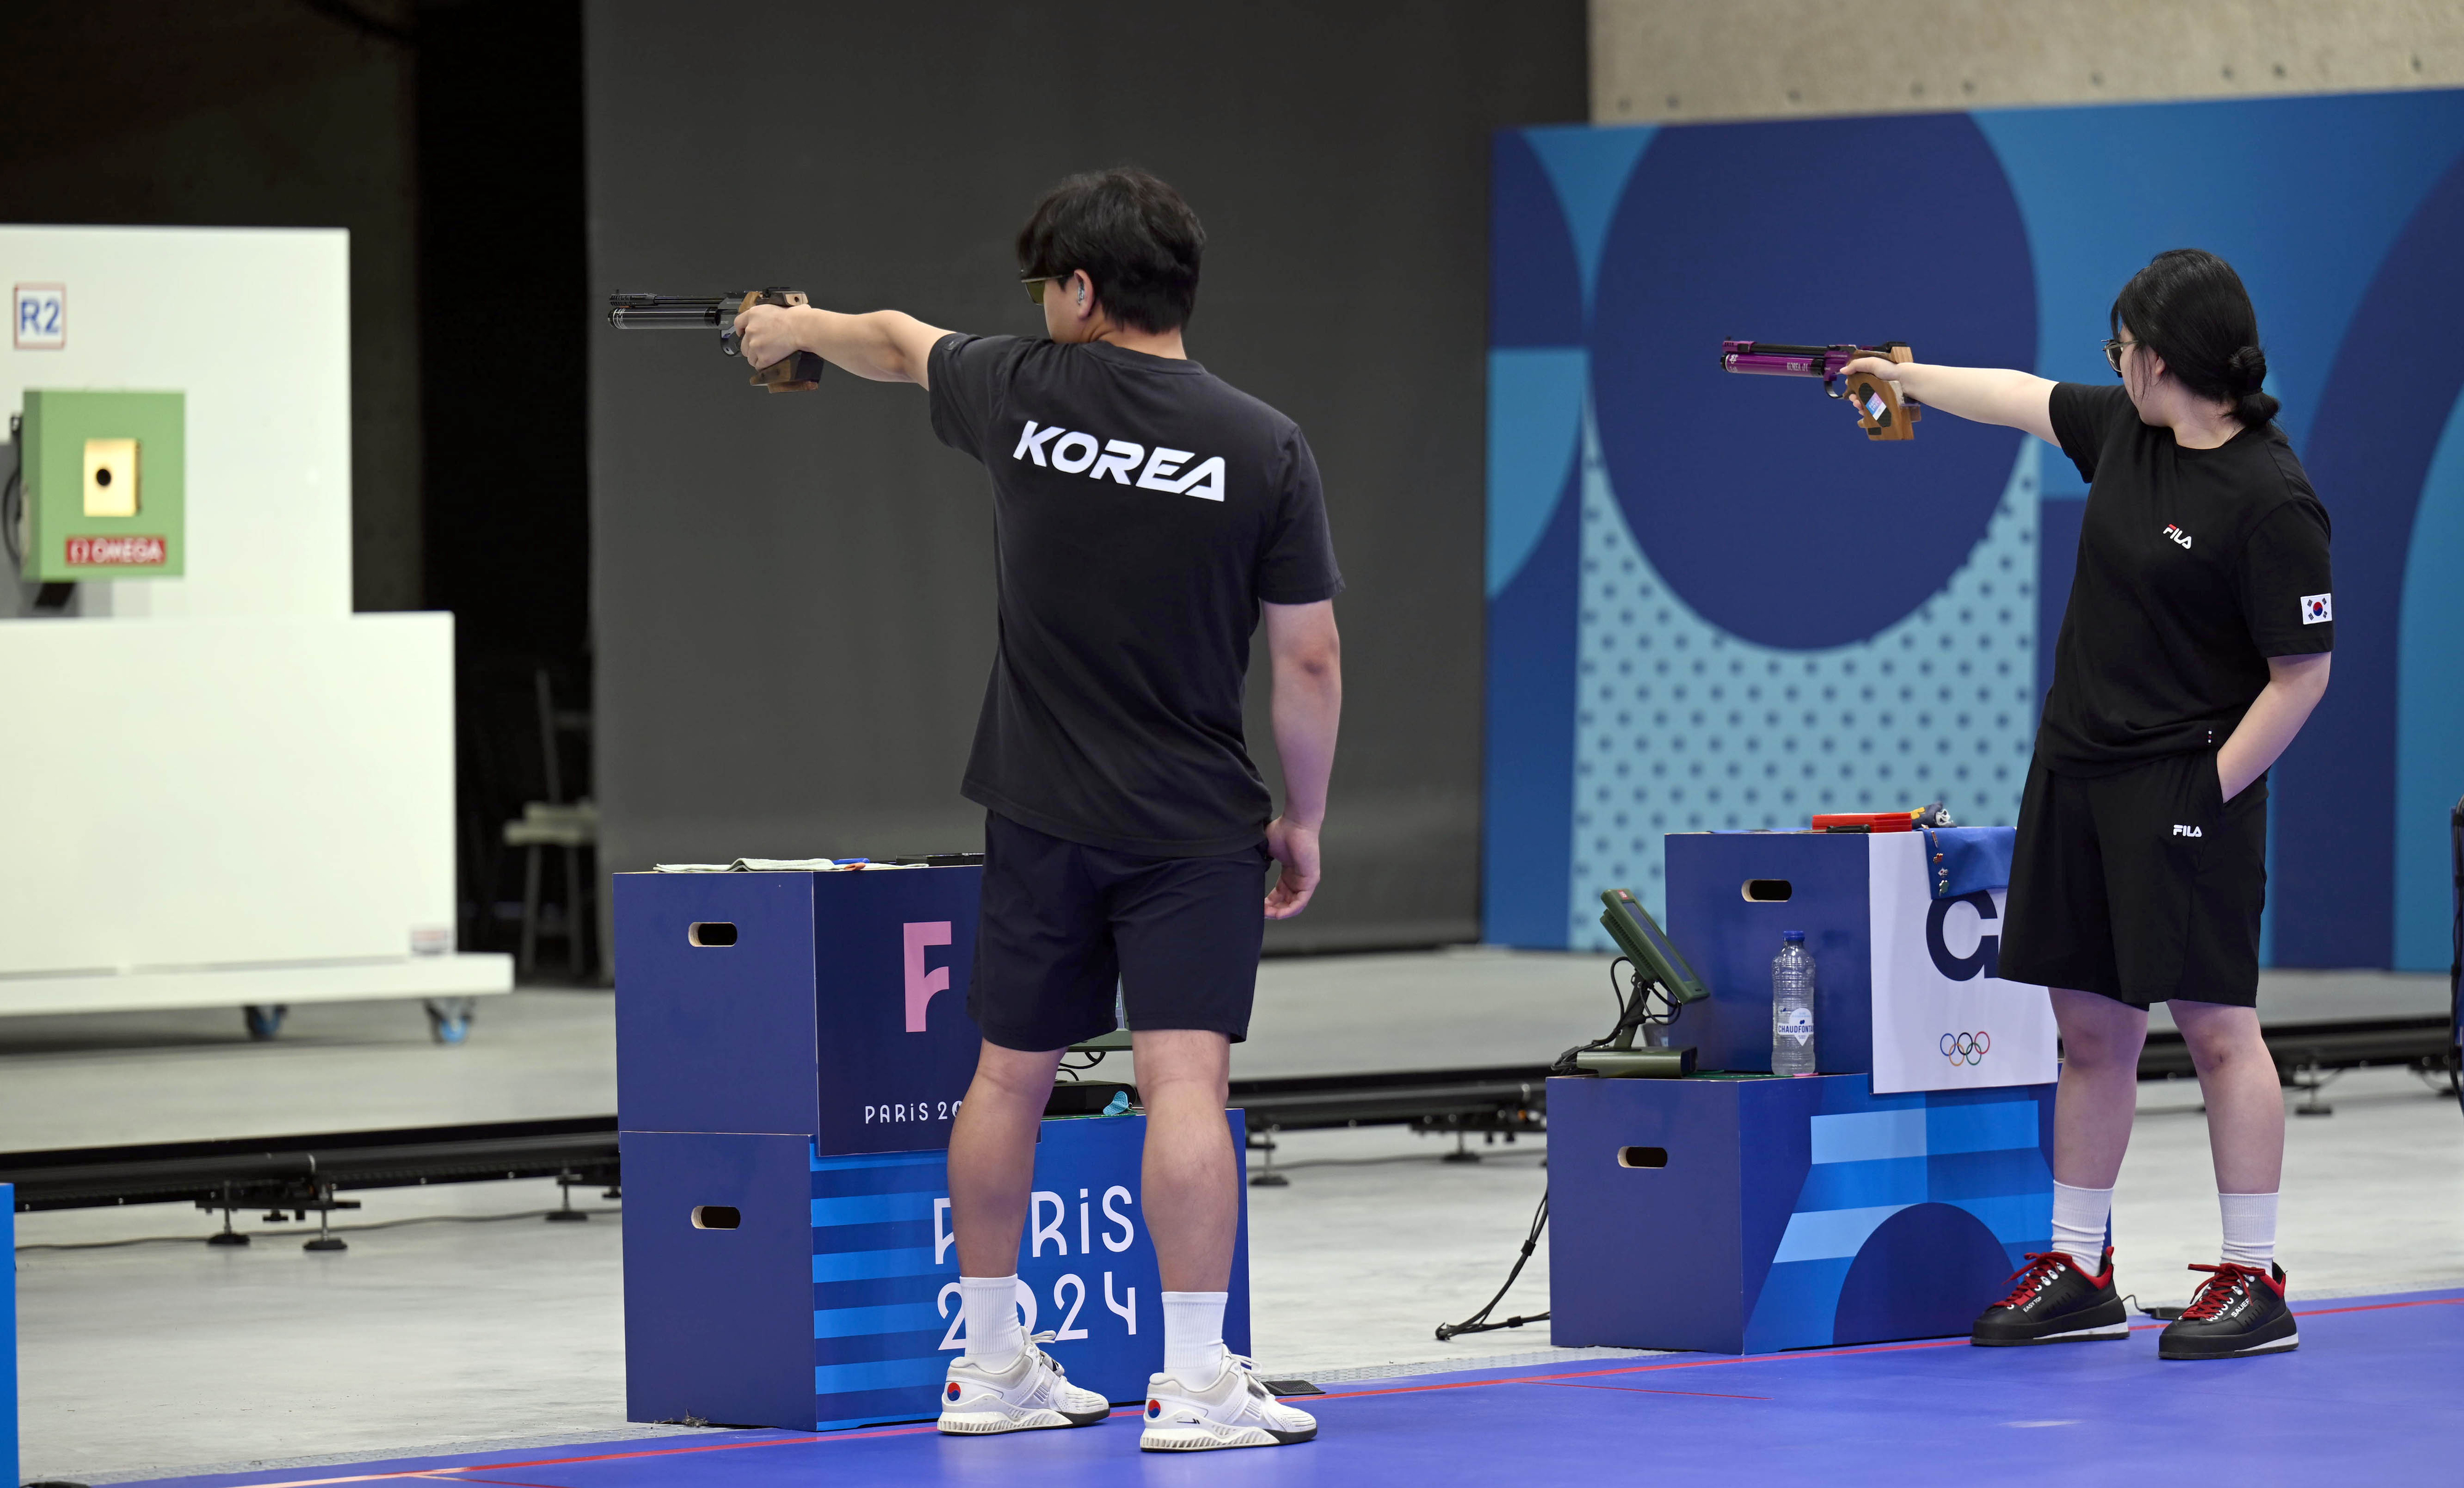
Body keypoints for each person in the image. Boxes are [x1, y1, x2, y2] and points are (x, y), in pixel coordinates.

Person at [734, 167, 1342, 1449]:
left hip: (1039, 809)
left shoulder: (1021, 392)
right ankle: (1190, 1386)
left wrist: (791, 331)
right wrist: (1303, 817)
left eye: (1042, 285)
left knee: (1004, 1079)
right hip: (1190, 820)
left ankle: (994, 1362)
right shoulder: (1262, 440)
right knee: (1185, 1077)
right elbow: (1306, 661)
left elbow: (893, 340)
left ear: (1079, 290)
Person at [1842, 249, 2332, 1360]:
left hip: (2193, 784)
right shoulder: (2127, 430)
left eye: (2120, 345)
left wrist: (2203, 795)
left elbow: (2303, 675)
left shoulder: (2273, 498)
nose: (2109, 362)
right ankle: (2081, 1264)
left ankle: (2254, 1278)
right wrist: (1904, 380)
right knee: (2089, 1030)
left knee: (2216, 1029)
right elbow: (2018, 397)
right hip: (2077, 766)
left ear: (2161, 360)